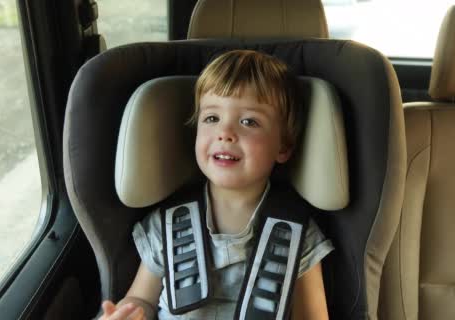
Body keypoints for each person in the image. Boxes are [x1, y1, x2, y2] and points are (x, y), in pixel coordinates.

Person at [99, 50, 334, 320]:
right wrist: (128, 312)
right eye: (212, 118)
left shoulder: (297, 234)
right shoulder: (167, 225)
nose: (225, 133)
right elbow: (141, 297)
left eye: (249, 121)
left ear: (283, 146)